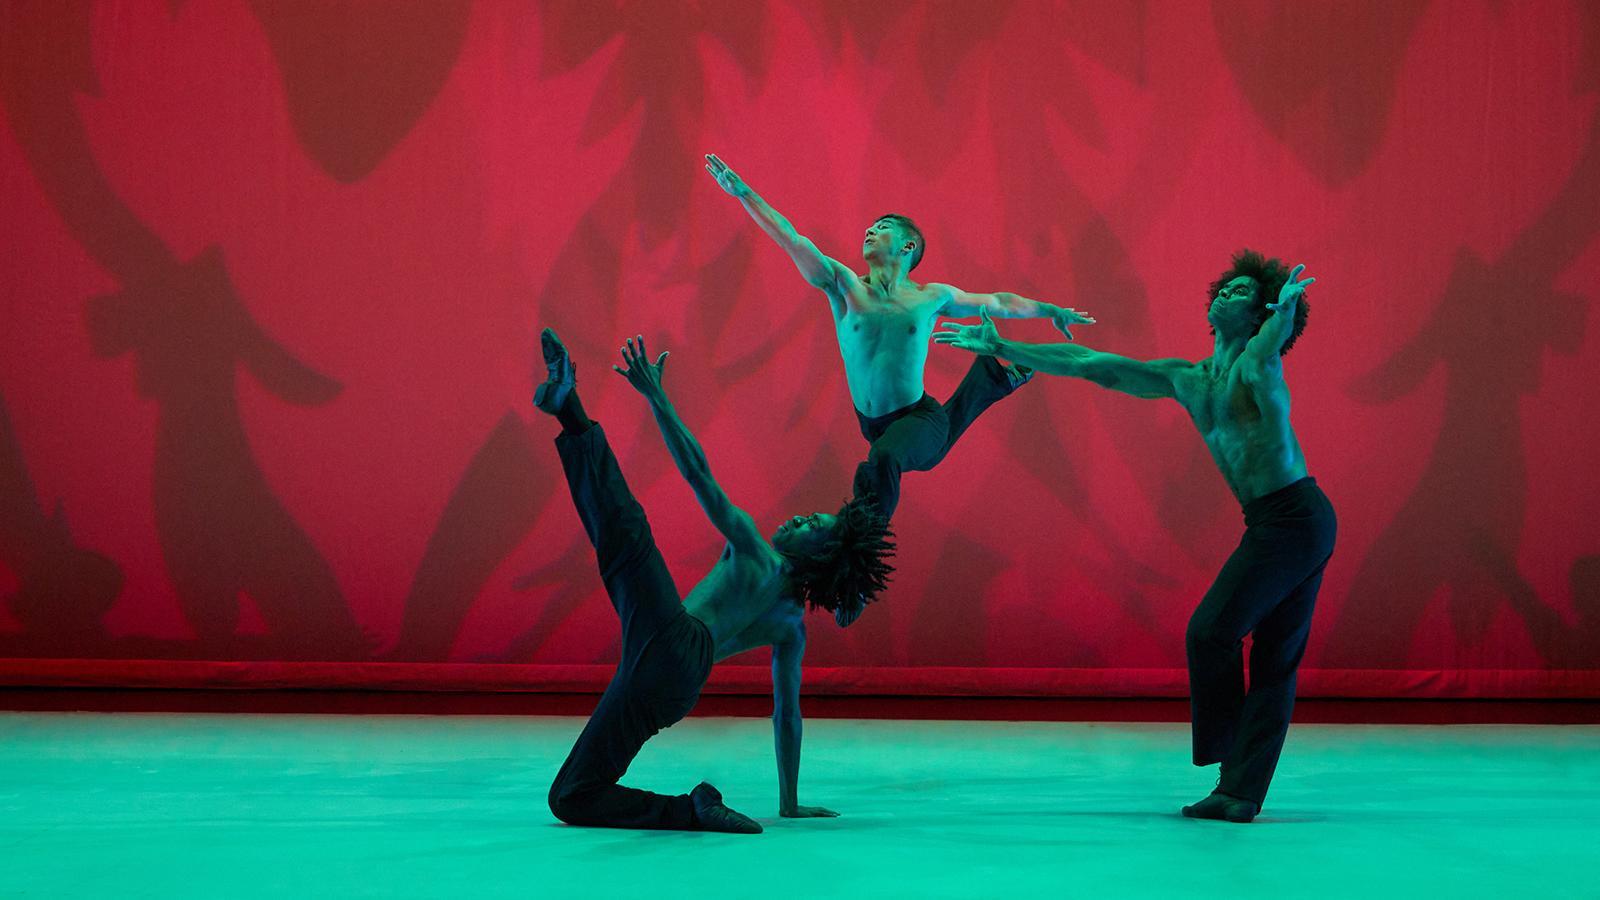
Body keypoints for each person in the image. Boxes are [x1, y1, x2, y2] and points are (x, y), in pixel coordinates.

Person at [935, 251, 1332, 822]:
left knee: (1212, 633)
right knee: (1272, 663)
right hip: (1277, 523)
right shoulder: (1188, 378)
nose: (1225, 294)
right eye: (1225, 287)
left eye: (1243, 292)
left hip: (1297, 520)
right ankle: (1240, 793)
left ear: (1262, 311)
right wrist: (1004, 349)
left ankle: (1229, 764)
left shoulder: (1255, 366)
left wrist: (1285, 312)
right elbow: (1090, 362)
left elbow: (1270, 343)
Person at [534, 327, 894, 832]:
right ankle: (692, 808)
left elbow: (698, 473)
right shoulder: (792, 626)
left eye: (814, 526)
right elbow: (786, 715)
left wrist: (657, 395)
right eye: (813, 514)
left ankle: (570, 407)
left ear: (824, 555)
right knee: (571, 796)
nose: (800, 518)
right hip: (671, 686)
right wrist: (789, 801)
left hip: (675, 645)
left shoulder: (758, 554)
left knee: (627, 537)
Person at [705, 154, 1092, 625]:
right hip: (877, 426)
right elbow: (792, 239)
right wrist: (745, 194)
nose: (869, 232)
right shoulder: (844, 285)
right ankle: (993, 379)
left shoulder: (930, 298)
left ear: (908, 246)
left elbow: (997, 301)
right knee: (883, 454)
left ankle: (859, 574)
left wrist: (1050, 309)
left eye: (882, 227)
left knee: (883, 461)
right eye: (869, 227)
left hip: (918, 421)